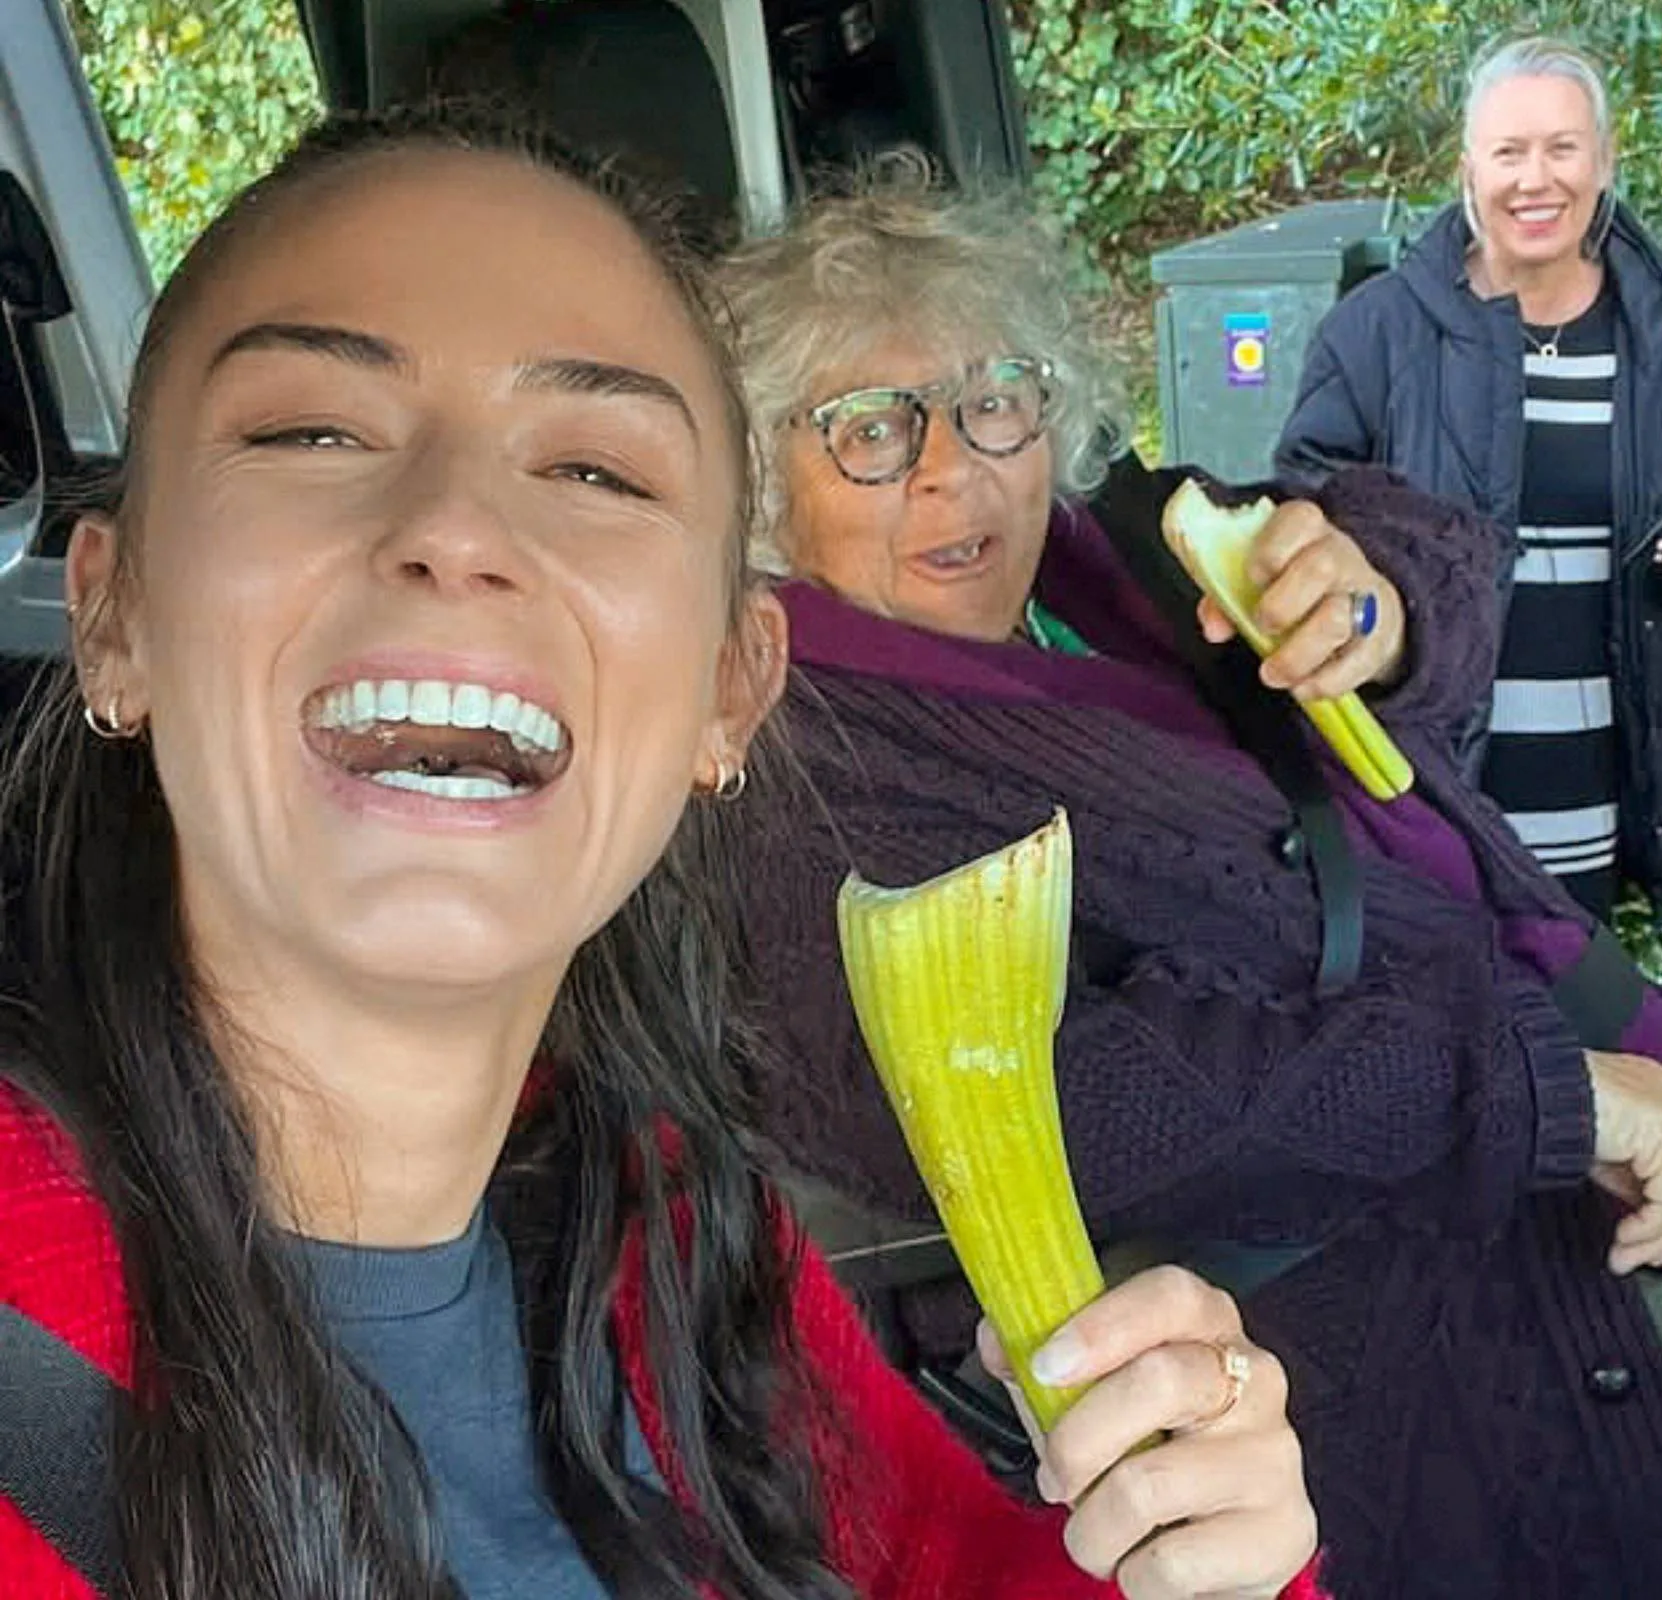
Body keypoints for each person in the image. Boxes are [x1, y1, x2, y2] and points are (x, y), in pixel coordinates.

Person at [0, 106, 1328, 1600]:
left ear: (727, 691)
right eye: (312, 431)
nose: (453, 528)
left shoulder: (670, 1241)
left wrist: (1190, 1556)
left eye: (597, 472)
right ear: (113, 621)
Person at [717, 164, 1662, 1600]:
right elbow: (1057, 1096)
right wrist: (1546, 1091)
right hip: (1363, 1267)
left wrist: (1374, 605)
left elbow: (1412, 565)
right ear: (758, 482)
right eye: (867, 429)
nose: (952, 468)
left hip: (1554, 1032)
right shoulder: (784, 757)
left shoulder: (1113, 560)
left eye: (994, 399)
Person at [1275, 36, 1662, 922]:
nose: (1534, 180)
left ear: (1605, 159)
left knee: (1586, 1043)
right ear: (1468, 168)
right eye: (1508, 152)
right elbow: (1303, 517)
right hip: (1425, 798)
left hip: (1595, 799)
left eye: (1562, 148)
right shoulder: (1377, 332)